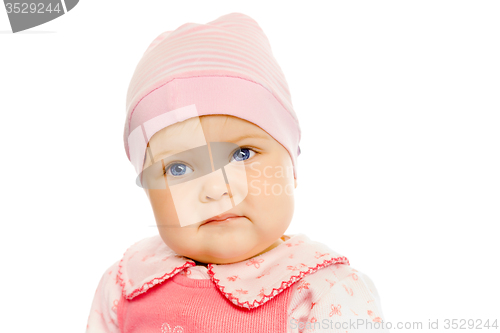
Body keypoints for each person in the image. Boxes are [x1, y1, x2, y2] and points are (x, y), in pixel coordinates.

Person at [85, 12, 388, 333]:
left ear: (291, 166)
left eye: (241, 154)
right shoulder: (126, 283)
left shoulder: (325, 292)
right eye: (178, 168)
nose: (215, 189)